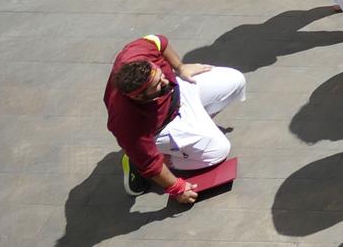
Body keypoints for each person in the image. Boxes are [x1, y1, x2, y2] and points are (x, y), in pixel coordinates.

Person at [105, 33, 247, 203]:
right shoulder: (127, 121)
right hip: (161, 127)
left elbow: (158, 41)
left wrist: (180, 67)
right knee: (218, 151)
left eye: (159, 74)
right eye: (157, 85)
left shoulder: (137, 54)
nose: (164, 81)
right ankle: (138, 158)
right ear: (139, 97)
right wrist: (177, 188)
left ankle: (194, 130)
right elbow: (151, 164)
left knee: (235, 80)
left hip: (179, 96)